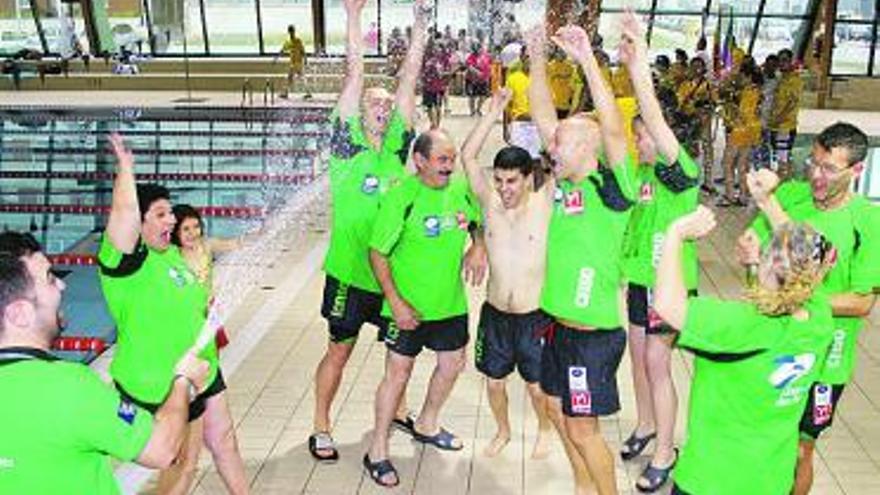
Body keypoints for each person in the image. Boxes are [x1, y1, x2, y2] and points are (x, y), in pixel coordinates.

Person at [0, 232, 210, 495]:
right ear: (19, 314)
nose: (63, 286)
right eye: (50, 279)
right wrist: (183, 379)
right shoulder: (68, 386)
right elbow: (162, 449)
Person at [96, 133, 248, 495]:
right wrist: (126, 169)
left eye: (171, 212)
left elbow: (189, 303)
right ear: (140, 222)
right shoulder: (124, 262)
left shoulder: (172, 256)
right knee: (182, 463)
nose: (171, 221)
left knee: (225, 440)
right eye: (160, 214)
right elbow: (123, 215)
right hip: (162, 380)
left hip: (203, 367)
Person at [310, 0, 428, 464]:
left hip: (390, 276)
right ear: (358, 112)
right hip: (347, 273)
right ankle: (321, 425)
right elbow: (354, 76)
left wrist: (420, 24)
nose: (382, 106)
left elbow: (410, 78)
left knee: (398, 353)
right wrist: (354, 16)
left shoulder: (398, 145)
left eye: (386, 104)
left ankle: (397, 409)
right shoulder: (345, 145)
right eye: (373, 103)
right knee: (338, 352)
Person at [736, 122, 880, 495]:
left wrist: (796, 299)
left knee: (801, 450)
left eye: (830, 169)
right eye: (813, 163)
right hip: (772, 346)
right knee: (764, 443)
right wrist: (752, 258)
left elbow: (862, 302)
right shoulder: (794, 195)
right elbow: (756, 254)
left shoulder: (868, 220)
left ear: (857, 170)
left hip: (822, 363)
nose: (817, 175)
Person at [654, 207, 837, 495]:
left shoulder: (740, 326)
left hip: (712, 480)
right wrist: (758, 264)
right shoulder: (820, 319)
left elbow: (667, 305)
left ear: (770, 266)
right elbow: (794, 280)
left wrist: (675, 233)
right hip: (770, 479)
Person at [527, 23, 635, 495]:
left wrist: (588, 58)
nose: (552, 147)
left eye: (562, 143)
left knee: (583, 429)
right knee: (557, 413)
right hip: (558, 328)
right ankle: (583, 487)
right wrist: (535, 57)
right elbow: (542, 114)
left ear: (589, 148)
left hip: (592, 338)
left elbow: (611, 126)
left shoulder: (612, 188)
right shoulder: (567, 184)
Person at [363, 129, 482, 487]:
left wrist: (479, 247)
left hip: (450, 303)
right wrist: (395, 303)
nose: (449, 166)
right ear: (420, 160)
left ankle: (427, 422)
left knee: (453, 364)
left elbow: (480, 223)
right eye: (442, 160)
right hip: (408, 307)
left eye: (452, 159)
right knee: (397, 375)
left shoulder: (460, 188)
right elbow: (377, 253)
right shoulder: (403, 196)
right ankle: (378, 450)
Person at [616, 13, 701, 493]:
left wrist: (637, 64)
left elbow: (654, 116)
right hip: (640, 282)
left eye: (641, 135)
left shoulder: (678, 171)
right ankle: (646, 426)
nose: (638, 141)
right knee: (638, 358)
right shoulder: (645, 176)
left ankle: (666, 451)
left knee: (656, 363)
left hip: (668, 286)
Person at [461, 89, 555, 459]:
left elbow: (558, 153)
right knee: (495, 383)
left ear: (529, 178)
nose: (503, 189)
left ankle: (545, 430)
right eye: (498, 180)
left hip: (535, 316)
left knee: (536, 387)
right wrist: (492, 113)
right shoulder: (490, 203)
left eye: (511, 181)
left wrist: (537, 99)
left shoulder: (546, 204)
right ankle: (503, 431)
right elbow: (468, 156)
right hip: (496, 314)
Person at [171, 204, 253, 350]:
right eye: (186, 229)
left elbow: (233, 244)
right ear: (175, 232)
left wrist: (263, 233)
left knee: (211, 350)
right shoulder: (171, 255)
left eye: (196, 226)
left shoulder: (206, 245)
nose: (193, 233)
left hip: (208, 308)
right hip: (184, 311)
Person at [718, 57, 763, 207]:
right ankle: (744, 196)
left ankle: (730, 195)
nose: (739, 79)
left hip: (740, 131)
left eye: (742, 76)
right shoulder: (758, 90)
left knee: (727, 163)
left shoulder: (748, 92)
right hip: (753, 131)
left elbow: (743, 114)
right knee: (743, 165)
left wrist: (729, 116)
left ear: (748, 77)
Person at [767, 49, 803, 178]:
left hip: (785, 126)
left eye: (785, 60)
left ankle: (785, 190)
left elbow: (791, 103)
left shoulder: (794, 80)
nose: (781, 64)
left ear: (791, 62)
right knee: (779, 158)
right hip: (776, 125)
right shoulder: (781, 78)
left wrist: (778, 119)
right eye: (779, 60)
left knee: (783, 160)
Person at [422, 36, 453, 129]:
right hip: (428, 86)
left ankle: (437, 125)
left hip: (439, 86)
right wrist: (422, 79)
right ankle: (433, 123)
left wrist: (443, 74)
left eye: (438, 47)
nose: (436, 49)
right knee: (429, 106)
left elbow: (449, 72)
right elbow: (422, 70)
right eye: (434, 47)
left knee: (438, 106)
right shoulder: (426, 57)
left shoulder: (444, 59)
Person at [279, 25, 309, 99]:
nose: (291, 33)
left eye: (292, 31)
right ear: (289, 32)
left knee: (296, 78)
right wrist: (277, 57)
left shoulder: (298, 40)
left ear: (294, 31)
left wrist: (305, 59)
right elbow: (283, 50)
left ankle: (286, 93)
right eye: (290, 31)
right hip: (292, 63)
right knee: (293, 78)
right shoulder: (288, 42)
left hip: (298, 62)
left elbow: (303, 51)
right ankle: (307, 92)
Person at [465, 43, 492, 117]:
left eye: (479, 49)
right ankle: (472, 111)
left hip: (483, 79)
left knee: (483, 96)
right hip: (472, 80)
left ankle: (478, 109)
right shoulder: (471, 57)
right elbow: (469, 67)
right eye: (476, 49)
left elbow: (489, 65)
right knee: (472, 96)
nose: (478, 51)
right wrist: (477, 72)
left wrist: (488, 75)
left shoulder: (486, 55)